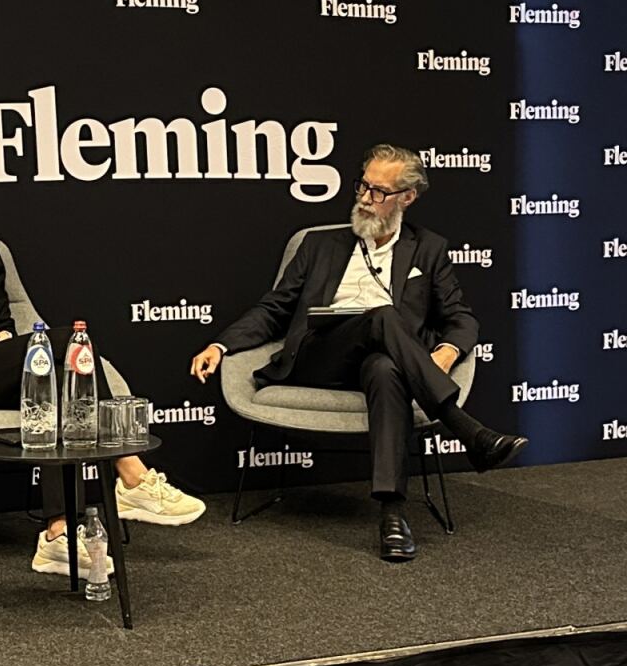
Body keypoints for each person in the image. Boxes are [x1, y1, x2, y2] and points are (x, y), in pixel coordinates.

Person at [0, 150, 205, 573]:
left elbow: (4, 322)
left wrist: (2, 340)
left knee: (57, 386)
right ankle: (131, 472)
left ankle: (58, 535)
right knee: (66, 343)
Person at [190, 142, 527, 562]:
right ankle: (465, 428)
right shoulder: (319, 245)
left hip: (385, 363)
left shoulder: (428, 249)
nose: (366, 198)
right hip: (320, 358)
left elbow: (461, 318)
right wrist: (221, 344)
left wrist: (446, 351)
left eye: (379, 191)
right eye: (363, 186)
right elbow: (274, 309)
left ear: (408, 197)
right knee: (382, 315)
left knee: (386, 368)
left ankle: (392, 514)